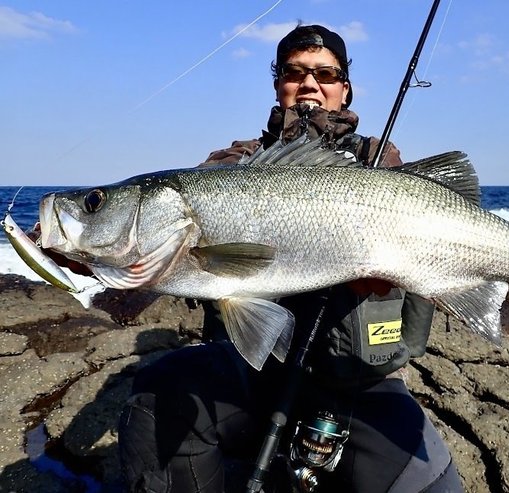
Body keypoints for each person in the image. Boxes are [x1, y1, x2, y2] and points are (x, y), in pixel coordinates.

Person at [117, 24, 464, 493]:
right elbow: (168, 235)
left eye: (325, 73)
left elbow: (421, 253)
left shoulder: (381, 164)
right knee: (156, 401)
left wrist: (390, 279)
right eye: (294, 72)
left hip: (356, 381)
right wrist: (105, 259)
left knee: (431, 481)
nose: (309, 84)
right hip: (254, 373)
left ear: (344, 87)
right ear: (278, 82)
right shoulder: (235, 163)